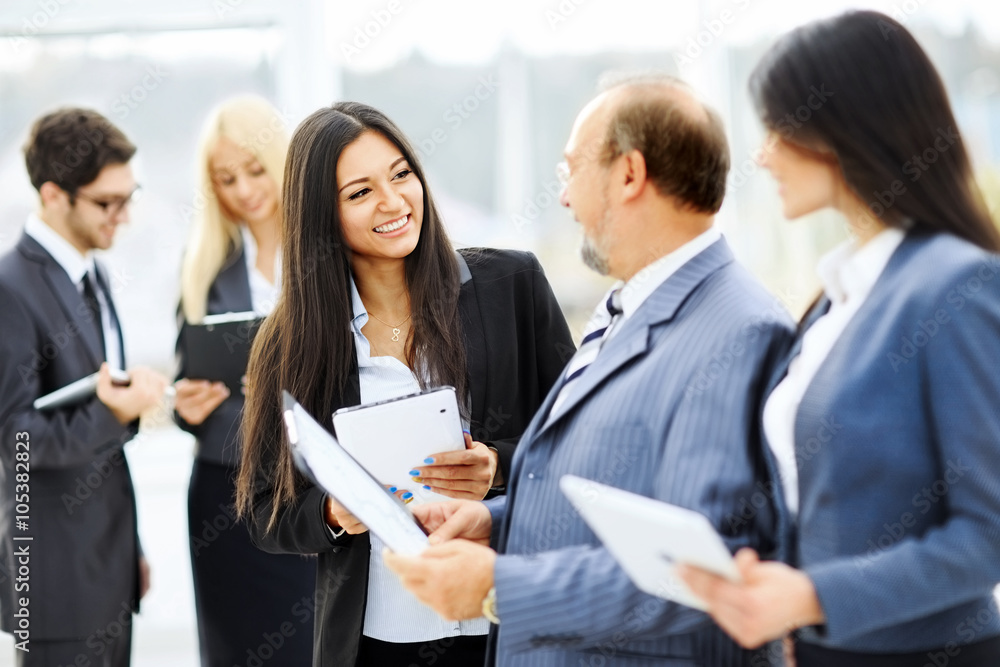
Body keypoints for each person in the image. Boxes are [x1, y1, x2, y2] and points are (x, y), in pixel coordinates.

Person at [384, 75, 795, 667]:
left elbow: (700, 573)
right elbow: (623, 501)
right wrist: (498, 522)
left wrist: (499, 584)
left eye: (570, 169)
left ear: (629, 175)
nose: (565, 198)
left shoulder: (738, 331)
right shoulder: (627, 305)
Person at [677, 11, 1000, 666]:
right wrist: (773, 584)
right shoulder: (838, 293)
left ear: (842, 126)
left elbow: (987, 534)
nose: (762, 154)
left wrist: (813, 594)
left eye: (775, 127)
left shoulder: (955, 284)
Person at [234, 101, 575, 666]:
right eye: (360, 192)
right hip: (379, 640)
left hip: (507, 625)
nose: (393, 202)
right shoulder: (292, 342)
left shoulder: (510, 285)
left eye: (401, 175)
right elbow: (265, 512)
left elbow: (583, 442)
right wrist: (333, 514)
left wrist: (498, 466)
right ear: (322, 215)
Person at [0, 108, 168, 666]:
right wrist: (119, 414)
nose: (122, 216)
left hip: (107, 565)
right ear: (53, 195)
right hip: (55, 580)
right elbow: (15, 439)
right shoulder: (10, 288)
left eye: (129, 196)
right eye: (105, 202)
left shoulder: (89, 269)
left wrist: (128, 551)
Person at [173, 96, 315, 667]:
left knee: (312, 645)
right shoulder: (206, 259)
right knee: (234, 650)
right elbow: (189, 386)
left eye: (255, 169)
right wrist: (188, 403)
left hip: (306, 488)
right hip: (223, 492)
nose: (244, 190)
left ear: (279, 160)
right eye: (226, 179)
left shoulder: (323, 249)